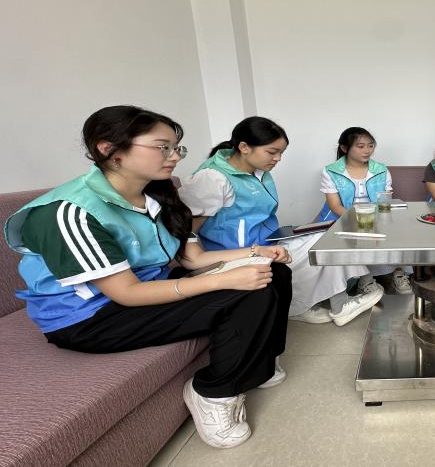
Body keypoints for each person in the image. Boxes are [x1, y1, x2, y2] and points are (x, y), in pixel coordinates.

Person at [4, 106, 293, 448]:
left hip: (143, 290)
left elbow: (193, 257)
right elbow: (126, 293)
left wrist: (255, 253)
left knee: (272, 271)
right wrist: (220, 281)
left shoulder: (157, 195)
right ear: (109, 149)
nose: (175, 157)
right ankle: (213, 392)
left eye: (176, 148)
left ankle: (260, 363)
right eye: (162, 147)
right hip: (89, 318)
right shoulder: (70, 211)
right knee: (246, 293)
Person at [179, 117, 379, 327]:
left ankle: (315, 304)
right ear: (244, 147)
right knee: (320, 247)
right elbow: (187, 234)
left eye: (281, 153)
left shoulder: (259, 172)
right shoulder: (212, 179)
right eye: (272, 152)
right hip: (236, 255)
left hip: (267, 242)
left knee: (330, 236)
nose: (278, 158)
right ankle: (328, 306)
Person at [317, 127, 413, 311]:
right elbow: (334, 206)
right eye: (360, 146)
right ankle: (365, 279)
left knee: (397, 231)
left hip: (375, 216)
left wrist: (378, 218)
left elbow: (386, 199)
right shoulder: (331, 171)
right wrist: (359, 219)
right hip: (341, 217)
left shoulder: (381, 170)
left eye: (370, 146)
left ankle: (399, 273)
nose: (367, 150)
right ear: (345, 148)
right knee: (354, 235)